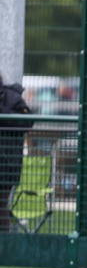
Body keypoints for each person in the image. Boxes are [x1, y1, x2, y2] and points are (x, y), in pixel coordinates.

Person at [0, 73, 34, 232]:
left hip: (7, 166)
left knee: (1, 206)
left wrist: (2, 114)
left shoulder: (13, 97)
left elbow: (27, 121)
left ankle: (4, 249)